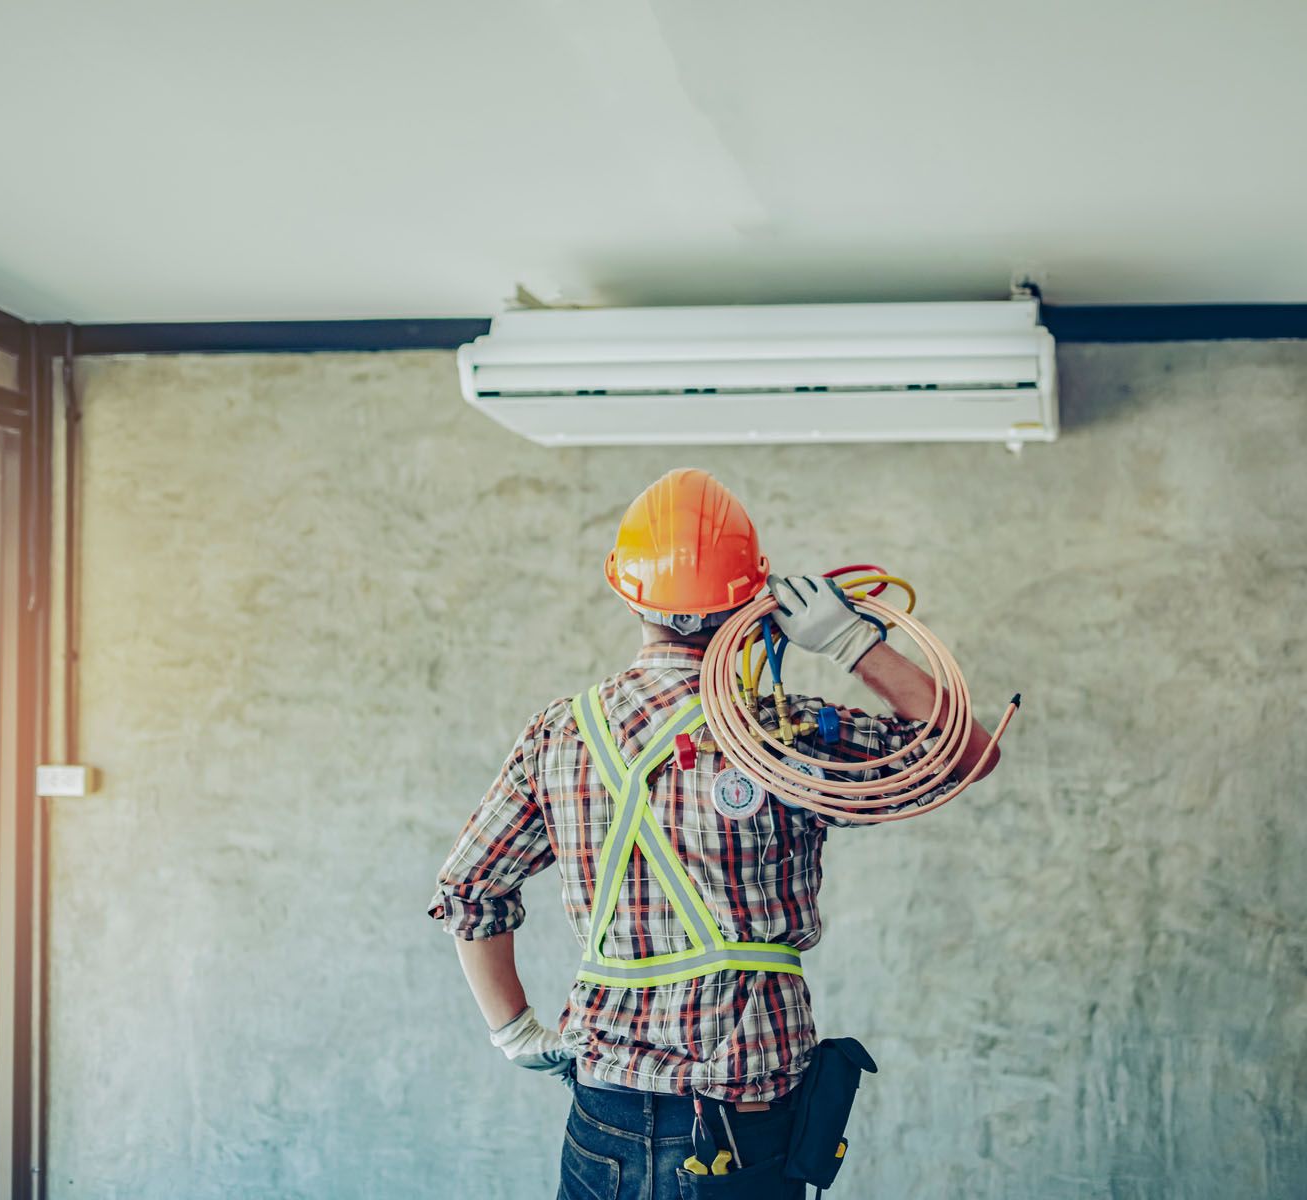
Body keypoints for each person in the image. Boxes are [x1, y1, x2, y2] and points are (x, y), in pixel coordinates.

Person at [429, 467, 1002, 1199]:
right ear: (754, 589)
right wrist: (853, 642)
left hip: (601, 1112)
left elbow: (470, 888)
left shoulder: (562, 734)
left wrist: (513, 1032)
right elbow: (967, 753)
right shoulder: (782, 733)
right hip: (741, 1123)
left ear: (623, 587)